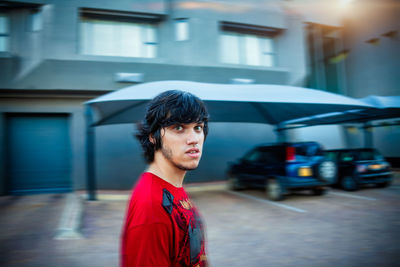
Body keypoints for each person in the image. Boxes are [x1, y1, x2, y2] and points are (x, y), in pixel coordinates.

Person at [121, 90, 209, 267]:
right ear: (153, 137)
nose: (193, 139)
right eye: (178, 128)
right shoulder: (151, 209)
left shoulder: (171, 187)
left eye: (197, 127)